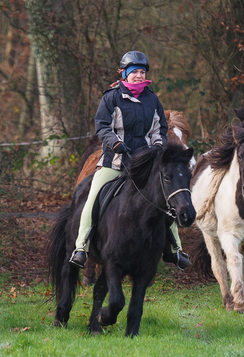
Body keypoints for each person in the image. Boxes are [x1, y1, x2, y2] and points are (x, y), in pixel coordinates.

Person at [68, 51, 191, 270]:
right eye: (134, 72)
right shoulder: (111, 98)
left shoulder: (152, 100)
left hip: (144, 165)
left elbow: (160, 129)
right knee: (92, 199)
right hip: (114, 162)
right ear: (124, 74)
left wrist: (157, 147)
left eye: (142, 72)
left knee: (165, 200)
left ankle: (175, 250)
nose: (139, 76)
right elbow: (102, 127)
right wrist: (114, 143)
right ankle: (81, 248)